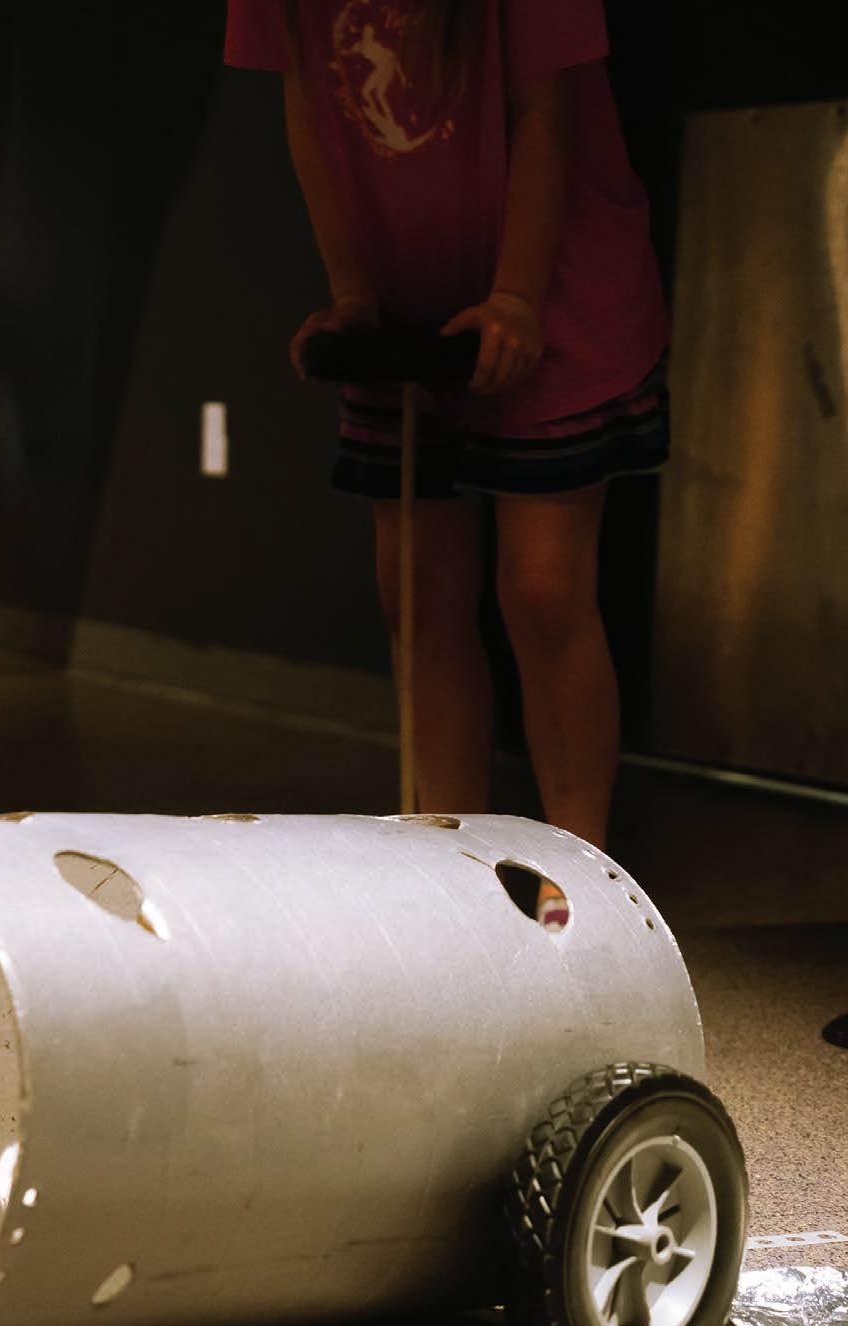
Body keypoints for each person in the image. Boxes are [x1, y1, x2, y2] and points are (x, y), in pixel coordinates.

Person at [226, 0, 669, 922]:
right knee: (418, 593)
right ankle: (451, 882)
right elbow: (307, 100)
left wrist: (517, 295)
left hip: (557, 274)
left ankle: (583, 889)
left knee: (542, 588)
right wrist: (353, 288)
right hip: (406, 285)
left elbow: (546, 108)